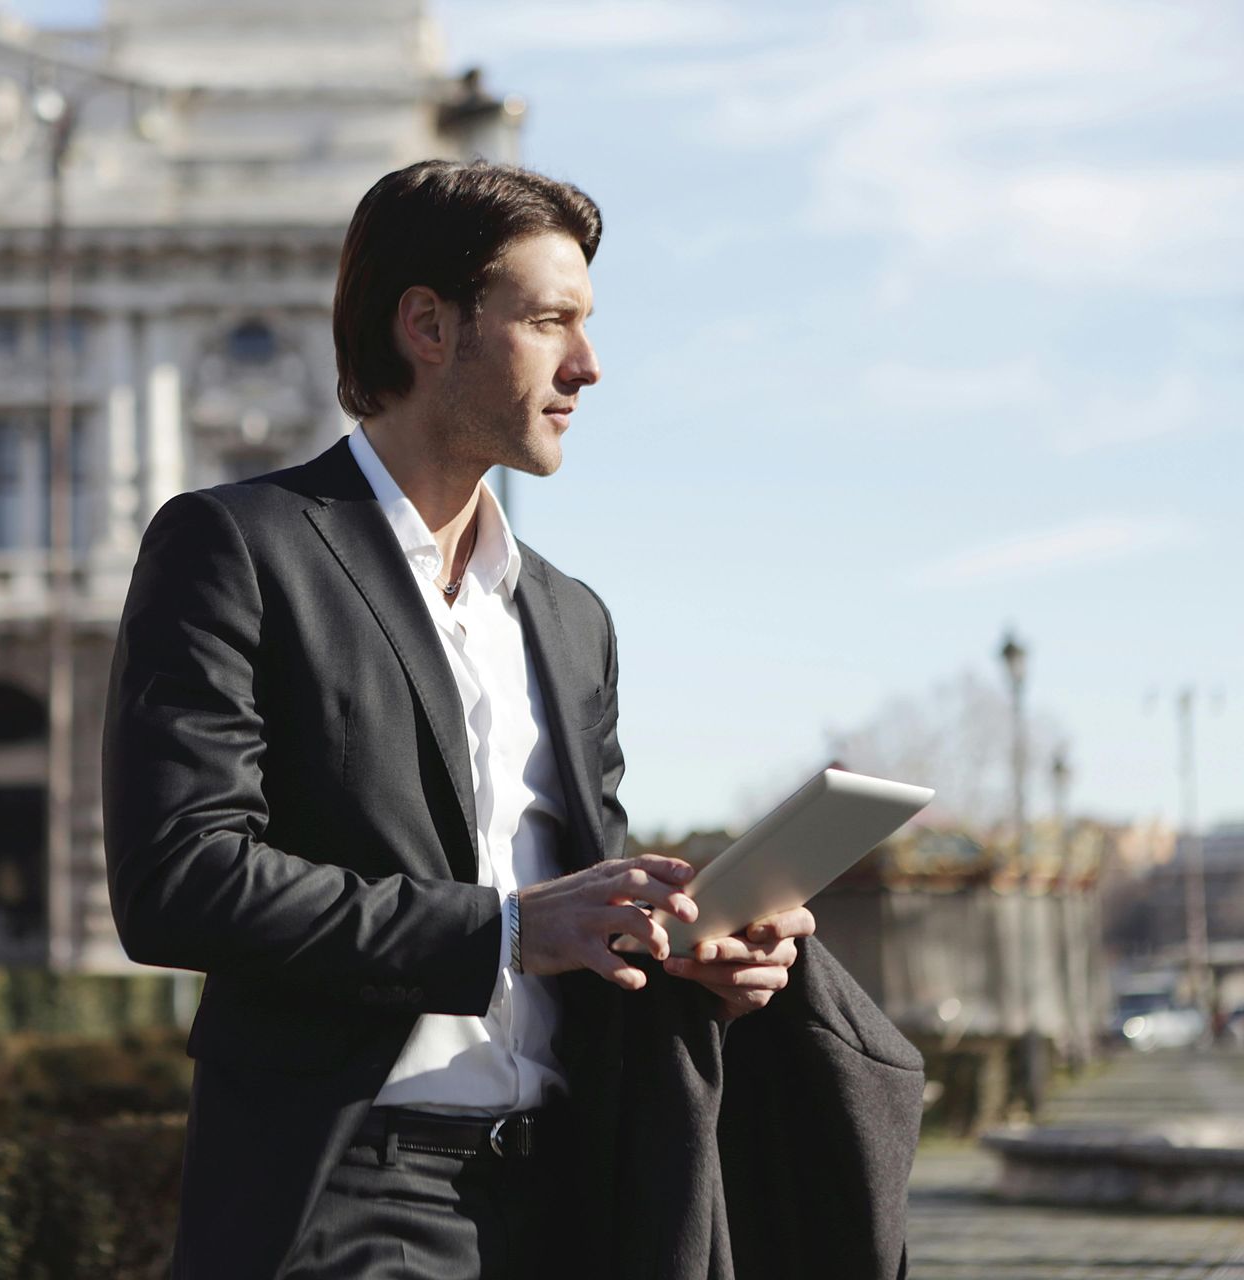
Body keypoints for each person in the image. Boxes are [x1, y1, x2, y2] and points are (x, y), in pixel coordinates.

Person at [103, 160, 917, 1280]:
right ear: (428, 325)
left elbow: (576, 909)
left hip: (580, 1195)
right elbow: (180, 880)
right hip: (351, 1188)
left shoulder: (572, 616)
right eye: (549, 322)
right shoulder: (237, 547)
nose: (587, 365)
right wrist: (503, 931)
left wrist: (693, 951)